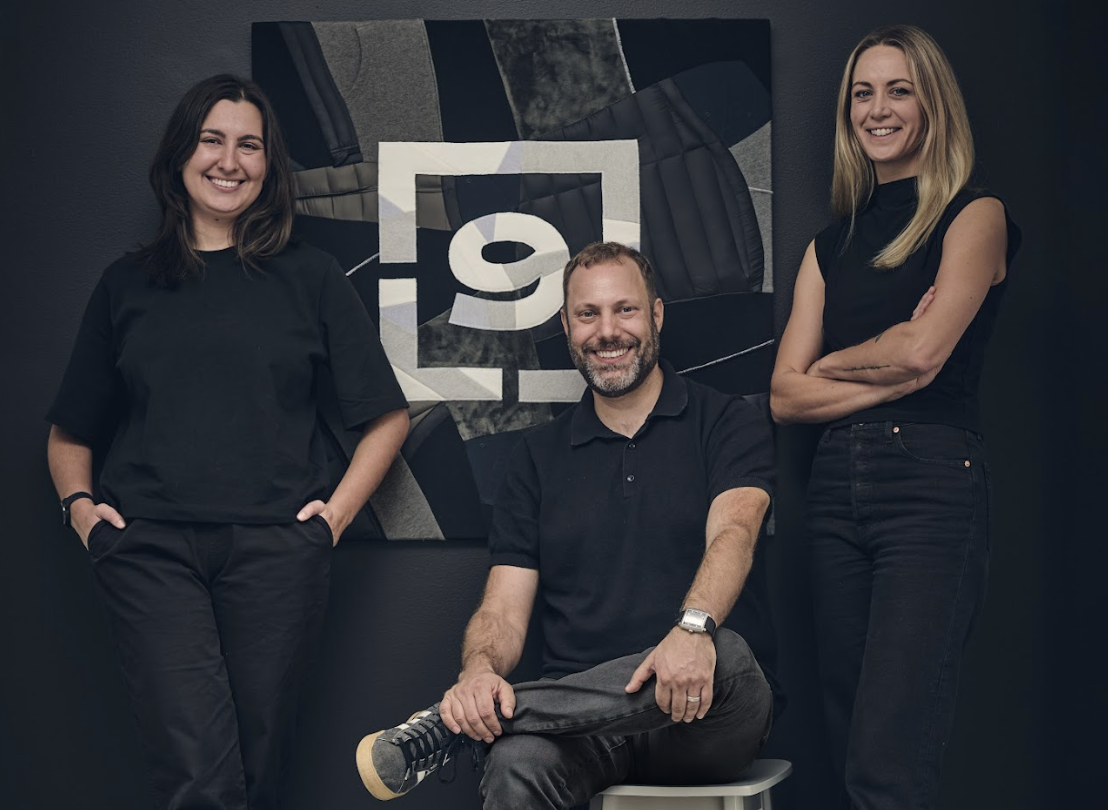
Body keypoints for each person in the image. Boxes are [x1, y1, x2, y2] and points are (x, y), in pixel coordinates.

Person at [45, 74, 409, 810]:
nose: (229, 161)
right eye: (212, 140)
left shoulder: (310, 277)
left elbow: (386, 417)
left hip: (276, 557)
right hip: (151, 555)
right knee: (199, 776)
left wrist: (331, 521)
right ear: (181, 152)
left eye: (250, 145)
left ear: (269, 165)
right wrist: (82, 514)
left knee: (261, 768)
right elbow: (68, 432)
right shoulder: (126, 285)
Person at [354, 242, 777, 808]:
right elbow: (503, 610)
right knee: (515, 762)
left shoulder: (727, 422)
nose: (607, 331)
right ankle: (488, 713)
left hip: (704, 715)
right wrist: (477, 672)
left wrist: (692, 630)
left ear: (656, 315)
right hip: (581, 732)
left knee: (727, 653)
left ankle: (459, 727)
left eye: (625, 310)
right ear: (566, 327)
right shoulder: (535, 459)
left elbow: (735, 533)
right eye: (588, 314)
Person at [770, 25, 1021, 810]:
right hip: (833, 492)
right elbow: (784, 396)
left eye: (899, 90)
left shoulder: (975, 217)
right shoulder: (828, 247)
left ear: (932, 104)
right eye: (863, 93)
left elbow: (922, 350)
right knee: (845, 732)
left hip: (931, 486)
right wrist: (884, 373)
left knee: (889, 756)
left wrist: (836, 367)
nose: (877, 110)